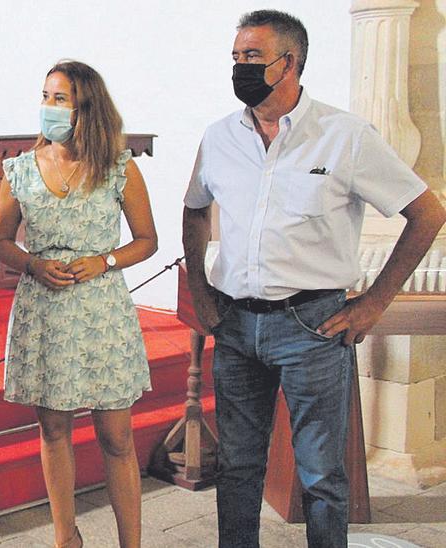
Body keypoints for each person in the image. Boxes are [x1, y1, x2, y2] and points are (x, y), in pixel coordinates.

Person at [182, 10, 446, 548]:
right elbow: (194, 210)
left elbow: (427, 212)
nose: (240, 69)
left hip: (312, 326)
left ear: (290, 63)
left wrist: (376, 302)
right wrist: (200, 290)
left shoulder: (345, 136)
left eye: (252, 58)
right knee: (236, 466)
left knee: (322, 475)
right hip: (235, 324)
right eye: (235, 58)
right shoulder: (219, 137)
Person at [0, 60, 157, 548]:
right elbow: (2, 241)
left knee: (117, 435)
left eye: (59, 99)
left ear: (87, 107)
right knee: (54, 430)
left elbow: (146, 240)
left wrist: (104, 261)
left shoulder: (118, 167)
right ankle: (67, 538)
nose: (48, 107)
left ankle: (132, 543)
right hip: (45, 307)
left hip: (101, 311)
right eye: (45, 96)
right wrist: (32, 264)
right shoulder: (20, 170)